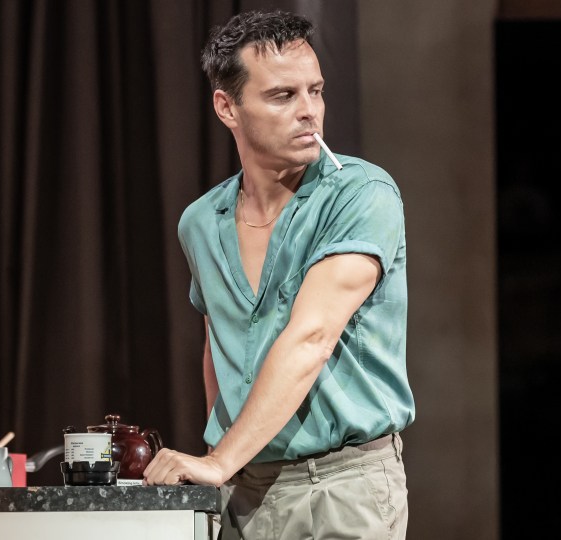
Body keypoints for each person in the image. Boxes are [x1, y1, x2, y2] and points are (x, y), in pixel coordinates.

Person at [142, 10, 414, 539]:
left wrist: (219, 460)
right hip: (247, 488)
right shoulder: (201, 221)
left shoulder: (360, 195)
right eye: (283, 96)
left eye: (316, 91)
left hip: (342, 484)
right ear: (227, 107)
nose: (309, 111)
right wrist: (229, 469)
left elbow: (311, 337)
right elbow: (217, 346)